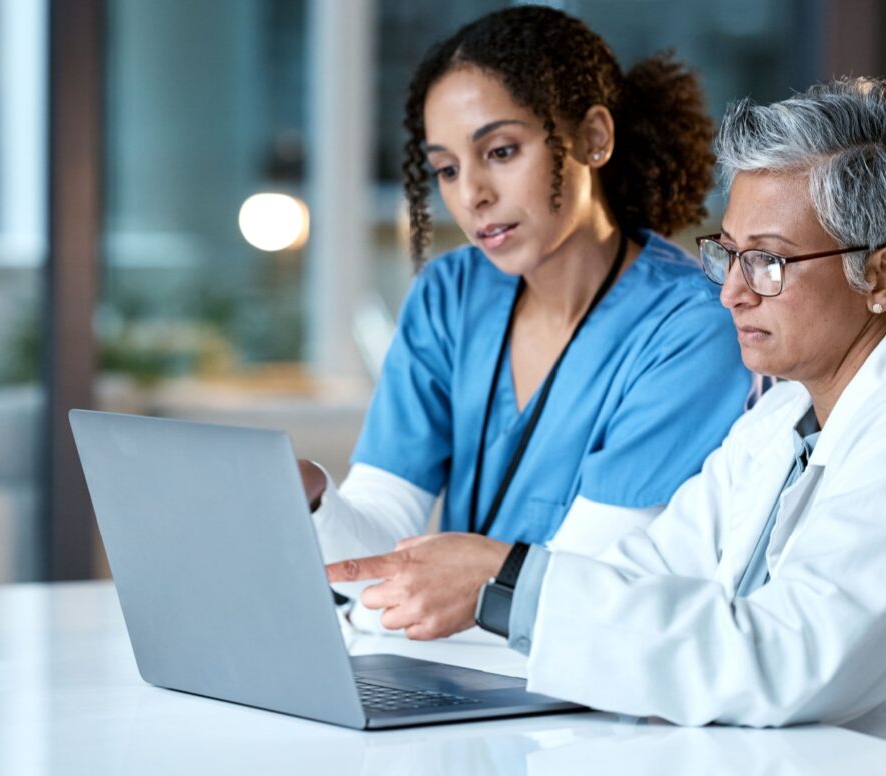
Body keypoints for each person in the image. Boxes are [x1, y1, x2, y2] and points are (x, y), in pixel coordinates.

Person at [327, 78, 886, 775]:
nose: (733, 292)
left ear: (884, 274)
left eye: (771, 261)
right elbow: (651, 574)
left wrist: (504, 581)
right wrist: (492, 588)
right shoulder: (784, 418)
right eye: (729, 252)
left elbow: (785, 661)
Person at [301, 6, 751, 629]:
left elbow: (591, 579)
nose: (472, 195)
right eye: (448, 169)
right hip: (448, 668)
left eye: (502, 151)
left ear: (593, 138)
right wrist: (312, 498)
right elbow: (376, 541)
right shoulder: (449, 295)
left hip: (577, 684)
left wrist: (453, 584)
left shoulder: (691, 326)